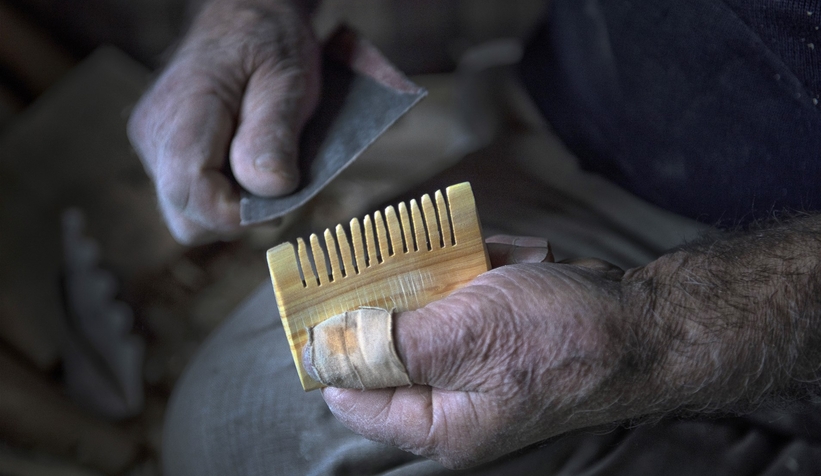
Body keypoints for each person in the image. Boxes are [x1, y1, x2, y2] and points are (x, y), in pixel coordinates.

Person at [128, 0, 821, 474]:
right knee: (233, 434)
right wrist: (249, 10)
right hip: (579, 131)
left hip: (785, 265)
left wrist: (660, 336)